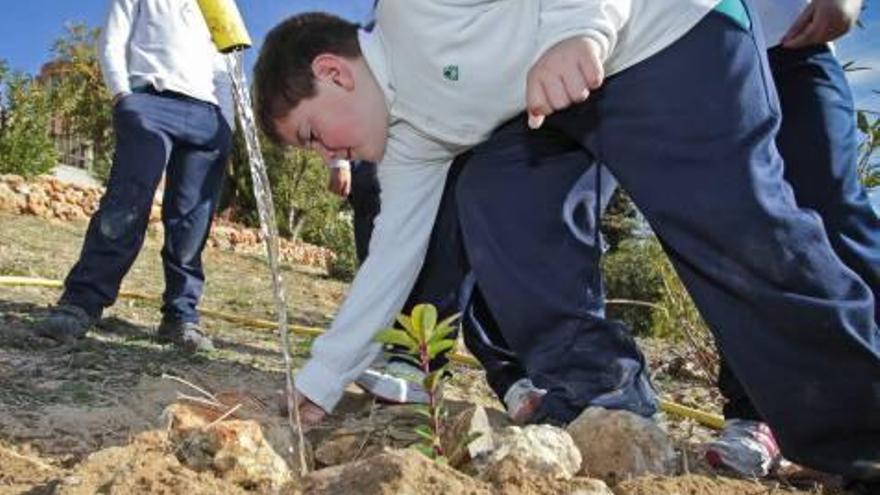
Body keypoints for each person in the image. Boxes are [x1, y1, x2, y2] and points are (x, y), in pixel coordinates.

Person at [253, 0, 880, 483]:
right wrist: (321, 382)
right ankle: (603, 396)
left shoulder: (412, 12)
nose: (328, 154)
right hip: (559, 94)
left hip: (663, 36)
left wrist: (581, 29)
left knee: (736, 233)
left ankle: (860, 428)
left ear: (332, 73)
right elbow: (392, 260)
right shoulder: (413, 136)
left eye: (313, 135)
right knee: (496, 197)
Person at [703, 0, 880, 478]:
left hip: (795, 45)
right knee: (737, 233)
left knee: (836, 212)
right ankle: (755, 414)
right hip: (700, 57)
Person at [35, 0, 234, 352]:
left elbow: (229, 71)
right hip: (150, 102)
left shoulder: (222, 5)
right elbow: (112, 39)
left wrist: (227, 127)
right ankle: (81, 303)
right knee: (125, 205)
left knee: (191, 222)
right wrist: (123, 97)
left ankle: (181, 316)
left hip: (207, 116)